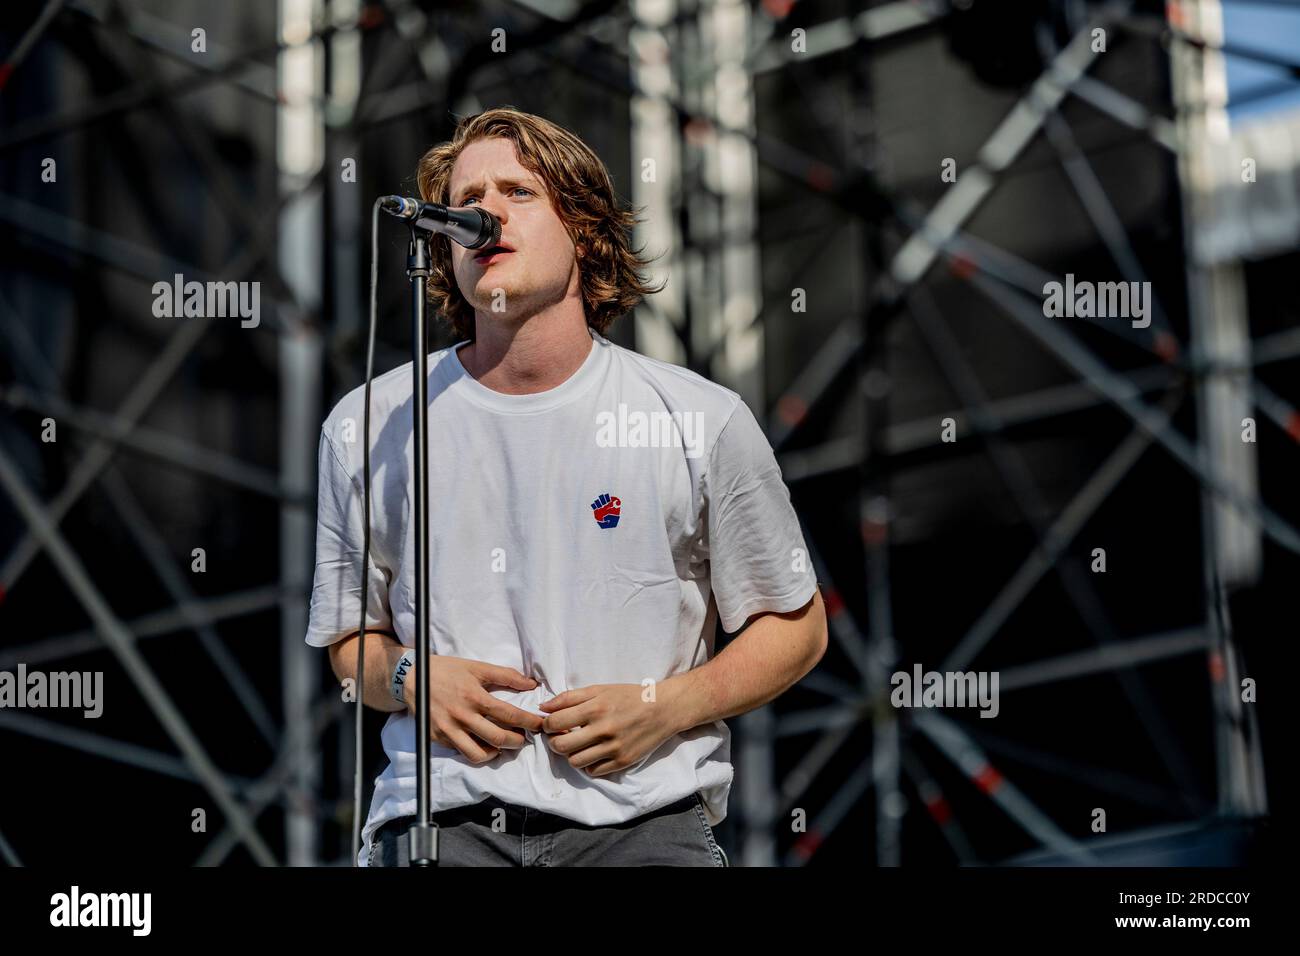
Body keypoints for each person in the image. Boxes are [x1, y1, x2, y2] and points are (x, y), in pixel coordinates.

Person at [306, 106, 827, 867]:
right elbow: (351, 643)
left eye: (517, 191)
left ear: (583, 230)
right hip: (437, 826)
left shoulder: (698, 418)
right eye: (467, 195)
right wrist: (414, 677)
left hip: (645, 827)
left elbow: (798, 628)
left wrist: (662, 708)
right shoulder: (369, 424)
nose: (481, 211)